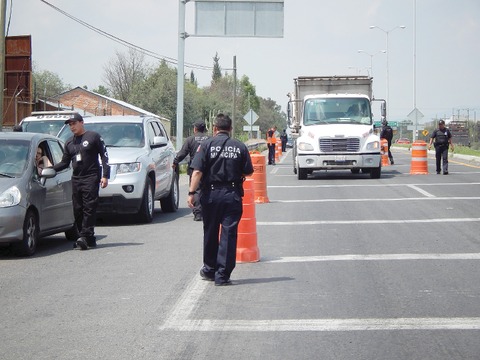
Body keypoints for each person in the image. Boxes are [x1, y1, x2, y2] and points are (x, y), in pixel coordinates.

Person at [188, 114, 254, 286]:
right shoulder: (239, 146)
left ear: (215, 129)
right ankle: (222, 275)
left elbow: (197, 172)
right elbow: (248, 171)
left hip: (210, 195)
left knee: (210, 232)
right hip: (232, 195)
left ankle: (209, 270)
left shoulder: (206, 145)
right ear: (230, 129)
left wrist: (191, 193)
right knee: (228, 234)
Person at [53, 113, 110, 250]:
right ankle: (89, 239)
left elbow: (104, 156)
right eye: (70, 124)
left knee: (89, 207)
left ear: (81, 122)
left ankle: (84, 236)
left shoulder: (93, 137)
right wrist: (49, 169)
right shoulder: (69, 142)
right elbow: (64, 163)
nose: (72, 127)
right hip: (77, 179)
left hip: (91, 177)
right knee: (77, 209)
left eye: (74, 123)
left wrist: (105, 175)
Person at [173, 120, 209, 221]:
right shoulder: (210, 139)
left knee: (196, 190)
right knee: (207, 190)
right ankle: (207, 212)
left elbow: (182, 153)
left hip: (195, 169)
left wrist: (175, 162)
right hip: (208, 169)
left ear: (195, 129)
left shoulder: (190, 139)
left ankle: (198, 213)